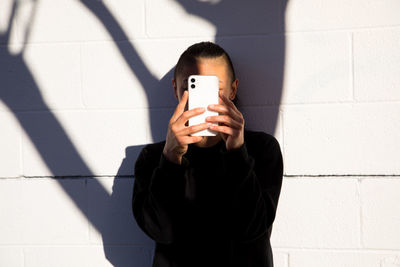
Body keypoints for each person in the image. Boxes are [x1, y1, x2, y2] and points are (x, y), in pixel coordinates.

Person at [131, 41, 283, 267]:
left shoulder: (262, 149)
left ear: (233, 89)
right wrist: (171, 159)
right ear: (176, 90)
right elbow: (159, 230)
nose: (202, 99)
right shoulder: (154, 157)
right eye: (191, 87)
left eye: (215, 89)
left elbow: (251, 227)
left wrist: (237, 152)